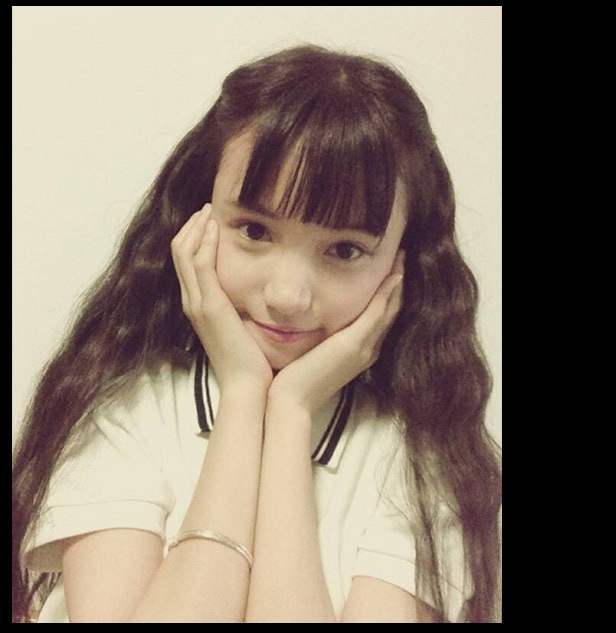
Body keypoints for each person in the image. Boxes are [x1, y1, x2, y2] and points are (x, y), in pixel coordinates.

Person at [11, 44, 502, 623]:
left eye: (345, 250)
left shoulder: (425, 465)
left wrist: (289, 412)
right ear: (195, 219)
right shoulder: (123, 409)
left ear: (402, 264)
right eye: (254, 230)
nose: (289, 295)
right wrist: (245, 396)